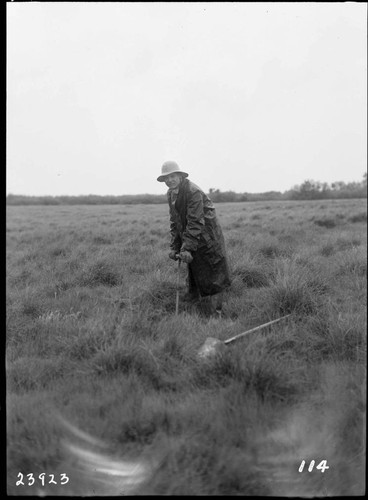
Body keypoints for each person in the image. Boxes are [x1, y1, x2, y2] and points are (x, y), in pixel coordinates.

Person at [157, 160, 231, 316]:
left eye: (173, 176)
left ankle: (216, 313)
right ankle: (196, 305)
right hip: (191, 235)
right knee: (195, 270)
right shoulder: (171, 194)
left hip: (208, 237)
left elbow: (196, 220)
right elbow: (175, 221)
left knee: (213, 274)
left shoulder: (192, 191)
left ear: (180, 176)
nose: (170, 180)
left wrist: (187, 247)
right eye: (166, 178)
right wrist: (176, 247)